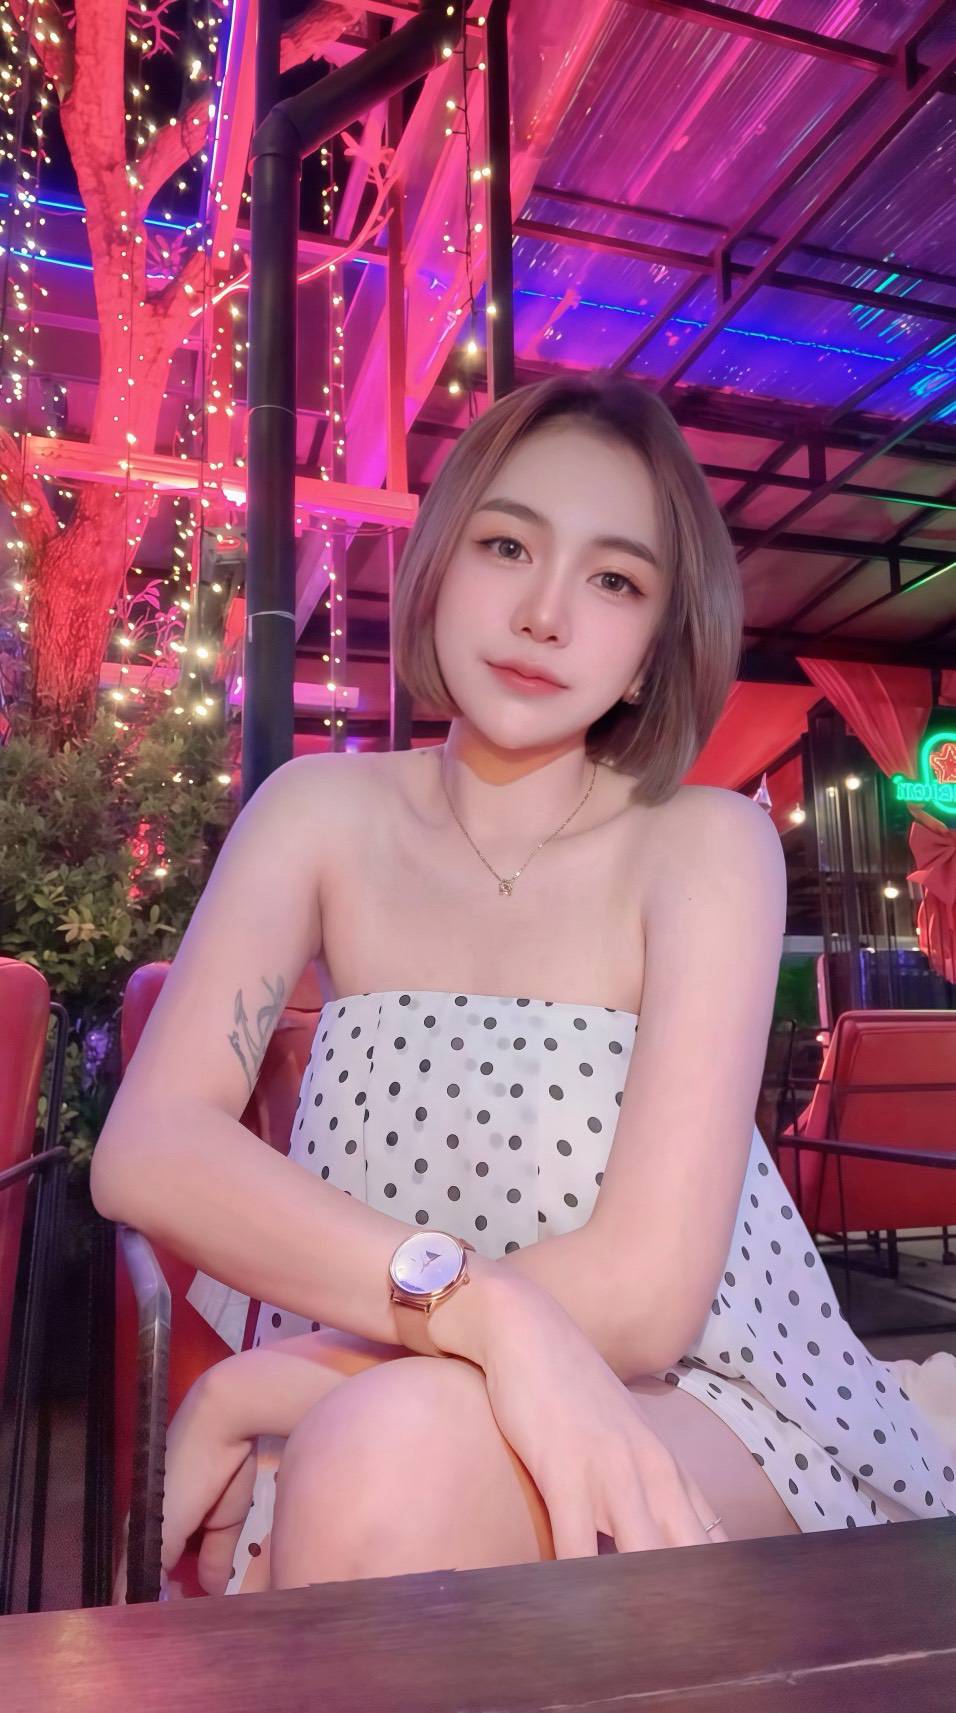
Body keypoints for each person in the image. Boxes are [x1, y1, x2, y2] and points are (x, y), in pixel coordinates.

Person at [95, 371, 956, 1604]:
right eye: (507, 545)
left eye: (614, 581)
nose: (545, 614)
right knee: (383, 1460)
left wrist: (271, 1380)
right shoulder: (318, 814)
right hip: (371, 1412)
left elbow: (647, 1297)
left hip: (690, 1395)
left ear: (655, 644)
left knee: (385, 1458)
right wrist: (484, 1316)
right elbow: (149, 1150)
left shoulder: (702, 844)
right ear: (440, 564)